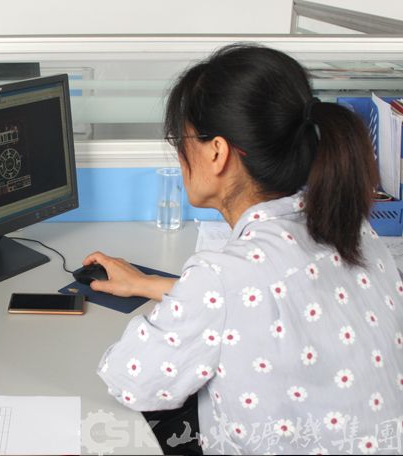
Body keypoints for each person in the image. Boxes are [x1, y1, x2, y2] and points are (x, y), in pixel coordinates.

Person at [85, 44, 403, 455]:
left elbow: (131, 381)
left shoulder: (223, 279)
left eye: (180, 139)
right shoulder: (352, 228)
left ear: (217, 152)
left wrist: (186, 302)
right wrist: (153, 285)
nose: (178, 154)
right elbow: (271, 298)